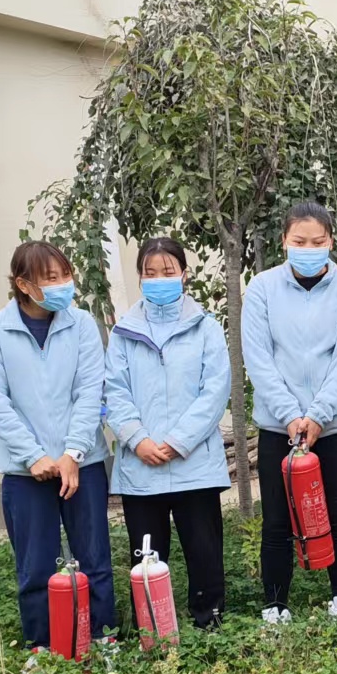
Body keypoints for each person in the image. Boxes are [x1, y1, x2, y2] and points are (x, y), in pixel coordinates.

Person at [0, 242, 114, 651]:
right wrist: (34, 456)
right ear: (23, 284)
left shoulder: (82, 324)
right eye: (51, 279)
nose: (63, 285)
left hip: (83, 465)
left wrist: (73, 454)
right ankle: (43, 645)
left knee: (95, 559)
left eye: (66, 275)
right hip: (24, 472)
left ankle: (103, 638)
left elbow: (90, 393)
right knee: (35, 566)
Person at [241, 201, 337, 623]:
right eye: (299, 241)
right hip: (279, 425)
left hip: (335, 425)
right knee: (277, 518)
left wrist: (316, 417)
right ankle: (275, 605)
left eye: (318, 241)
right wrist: (290, 417)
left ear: (331, 241)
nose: (309, 248)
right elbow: (258, 358)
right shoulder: (261, 288)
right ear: (284, 242)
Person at [104, 237, 231, 629]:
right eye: (150, 273)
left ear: (184, 275)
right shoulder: (124, 332)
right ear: (140, 278)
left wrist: (178, 442)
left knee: (204, 549)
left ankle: (208, 619)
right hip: (141, 467)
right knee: (146, 554)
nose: (160, 279)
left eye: (168, 271)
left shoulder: (205, 327)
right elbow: (114, 391)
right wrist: (137, 439)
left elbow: (215, 390)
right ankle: (153, 627)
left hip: (194, 463)